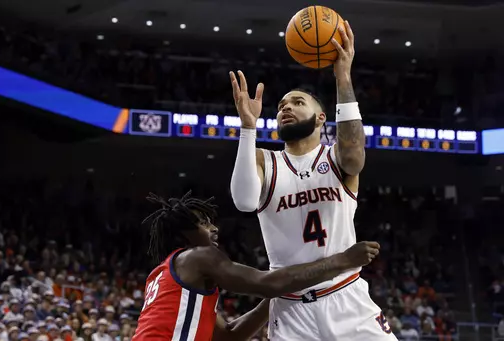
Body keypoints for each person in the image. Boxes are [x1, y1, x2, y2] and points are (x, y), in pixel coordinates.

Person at [229, 21, 397, 340]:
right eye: (280, 106)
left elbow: (354, 157)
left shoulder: (336, 157)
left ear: (321, 118)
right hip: (291, 311)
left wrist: (342, 76)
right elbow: (243, 201)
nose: (286, 108)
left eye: (297, 102)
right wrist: (248, 127)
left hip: (346, 298)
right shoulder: (266, 160)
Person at [131, 191, 380, 341]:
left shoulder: (166, 276)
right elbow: (267, 284)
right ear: (183, 234)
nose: (214, 228)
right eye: (203, 224)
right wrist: (343, 260)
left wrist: (281, 296)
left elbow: (229, 336)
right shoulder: (198, 257)